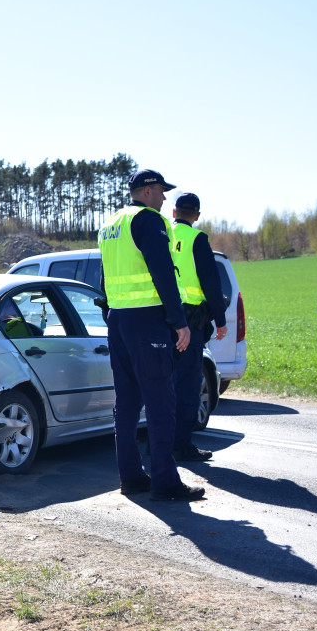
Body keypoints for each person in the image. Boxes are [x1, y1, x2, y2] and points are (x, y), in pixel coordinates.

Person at [98, 169, 203, 502]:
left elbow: (104, 280)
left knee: (127, 403)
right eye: (161, 190)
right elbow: (163, 273)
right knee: (161, 402)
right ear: (147, 191)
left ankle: (131, 477)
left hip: (119, 320)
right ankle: (165, 482)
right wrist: (179, 321)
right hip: (147, 321)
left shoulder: (110, 224)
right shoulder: (148, 220)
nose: (164, 197)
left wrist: (112, 316)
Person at [169, 193, 228, 461]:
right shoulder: (197, 239)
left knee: (164, 386)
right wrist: (220, 320)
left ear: (174, 212)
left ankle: (159, 444)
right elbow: (211, 283)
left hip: (162, 320)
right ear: (197, 215)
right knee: (188, 387)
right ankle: (181, 445)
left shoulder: (162, 234)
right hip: (190, 324)